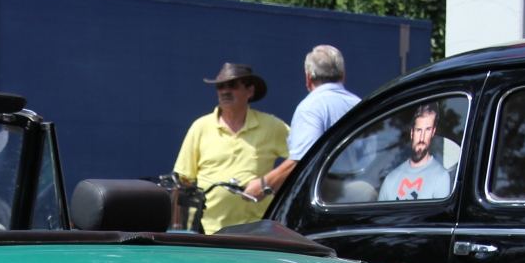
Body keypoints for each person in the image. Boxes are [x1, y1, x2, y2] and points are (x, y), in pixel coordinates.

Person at [173, 63, 289, 232]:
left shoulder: (272, 126)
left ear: (249, 91)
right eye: (220, 86)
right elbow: (182, 182)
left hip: (258, 231)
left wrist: (268, 182)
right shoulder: (200, 127)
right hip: (207, 232)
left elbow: (302, 158)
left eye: (233, 85)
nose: (225, 91)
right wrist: (178, 230)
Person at [244, 46, 359, 200]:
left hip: (328, 204)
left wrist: (264, 185)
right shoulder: (360, 104)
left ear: (308, 78)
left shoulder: (310, 108)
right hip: (364, 203)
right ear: (343, 75)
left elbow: (303, 161)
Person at [377, 103, 450, 200]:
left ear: (433, 132)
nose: (422, 137)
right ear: (412, 133)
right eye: (419, 130)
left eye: (427, 130)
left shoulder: (441, 177)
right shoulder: (391, 179)